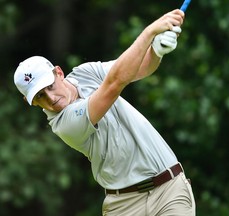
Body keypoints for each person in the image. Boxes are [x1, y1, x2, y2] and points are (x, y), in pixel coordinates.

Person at [14, 9, 195, 216]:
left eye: (50, 86)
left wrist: (157, 50)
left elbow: (140, 68)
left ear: (59, 72)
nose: (51, 98)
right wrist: (149, 33)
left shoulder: (86, 72)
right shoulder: (64, 125)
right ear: (31, 102)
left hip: (169, 190)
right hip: (123, 205)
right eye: (40, 97)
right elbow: (115, 84)